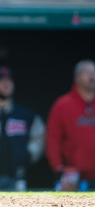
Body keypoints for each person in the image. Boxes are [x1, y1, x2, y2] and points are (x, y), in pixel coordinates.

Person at [46, 59, 95, 191]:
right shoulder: (62, 105)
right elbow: (53, 138)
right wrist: (58, 168)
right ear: (77, 78)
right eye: (87, 73)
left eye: (94, 73)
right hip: (73, 178)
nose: (92, 76)